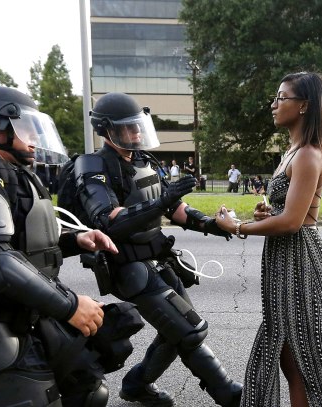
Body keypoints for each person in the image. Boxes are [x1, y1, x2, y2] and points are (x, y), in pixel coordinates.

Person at [0, 85, 144, 407]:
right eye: (26, 126)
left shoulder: (12, 171)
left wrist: (74, 240)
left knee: (89, 392)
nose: (36, 137)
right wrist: (70, 306)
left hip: (31, 308)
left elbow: (22, 245)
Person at [63, 92, 241, 406]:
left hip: (159, 259)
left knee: (177, 332)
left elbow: (175, 208)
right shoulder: (93, 164)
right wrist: (162, 201)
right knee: (189, 331)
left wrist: (211, 224)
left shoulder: (145, 160)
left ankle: (135, 385)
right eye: (128, 128)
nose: (136, 133)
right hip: (128, 267)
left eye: (138, 126)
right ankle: (228, 393)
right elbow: (107, 220)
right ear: (107, 130)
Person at [218, 71, 322, 407]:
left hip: (299, 262)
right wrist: (267, 213)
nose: (274, 104)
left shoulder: (308, 154)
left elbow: (294, 222)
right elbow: (288, 212)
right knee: (288, 355)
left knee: (303, 357)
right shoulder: (291, 152)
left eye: (282, 97)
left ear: (304, 106)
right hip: (284, 259)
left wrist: (237, 227)